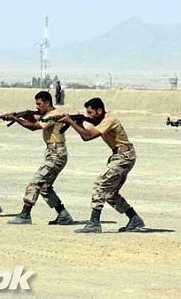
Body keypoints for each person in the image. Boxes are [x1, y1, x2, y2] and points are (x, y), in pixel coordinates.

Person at [59, 97, 145, 233]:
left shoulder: (109, 120)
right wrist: (79, 124)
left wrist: (71, 122)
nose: (89, 116)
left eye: (90, 113)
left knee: (100, 184)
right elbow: (85, 136)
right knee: (110, 193)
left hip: (124, 157)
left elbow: (88, 136)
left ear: (99, 111)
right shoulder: (101, 120)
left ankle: (94, 222)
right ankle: (134, 219)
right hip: (121, 156)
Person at [6, 91, 73, 225]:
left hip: (56, 154)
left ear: (47, 103)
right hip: (53, 153)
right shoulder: (47, 115)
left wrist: (16, 119)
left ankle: (25, 214)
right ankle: (63, 214)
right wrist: (25, 115)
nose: (37, 107)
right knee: (45, 187)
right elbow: (33, 121)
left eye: (39, 104)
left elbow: (34, 127)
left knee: (36, 181)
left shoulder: (53, 115)